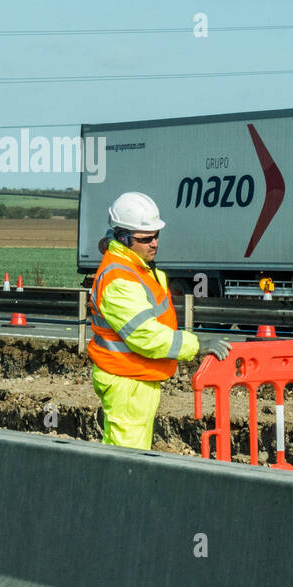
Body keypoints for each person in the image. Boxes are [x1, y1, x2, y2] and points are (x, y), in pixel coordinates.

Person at [87, 191, 230, 449]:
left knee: (132, 455)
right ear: (124, 238)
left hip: (135, 376)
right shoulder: (120, 279)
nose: (154, 243)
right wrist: (196, 344)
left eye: (156, 236)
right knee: (126, 460)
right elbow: (146, 336)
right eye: (146, 238)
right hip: (126, 380)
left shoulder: (134, 267)